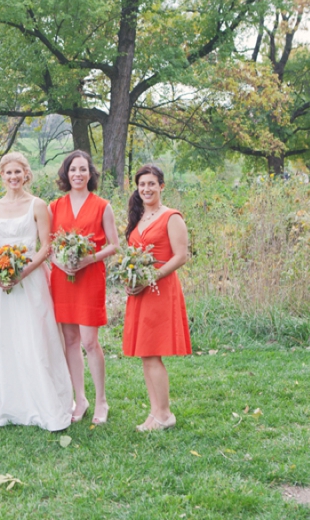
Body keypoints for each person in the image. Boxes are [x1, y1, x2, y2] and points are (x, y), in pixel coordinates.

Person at [0, 152, 73, 431]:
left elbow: (46, 246)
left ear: (26, 174)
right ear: (2, 176)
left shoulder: (38, 205)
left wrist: (22, 272)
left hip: (31, 280)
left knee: (35, 336)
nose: (13, 177)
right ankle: (7, 401)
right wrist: (0, 275)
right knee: (5, 337)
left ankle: (43, 399)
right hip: (3, 285)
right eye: (8, 173)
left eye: (17, 172)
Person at [48, 150, 119, 425]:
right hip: (62, 279)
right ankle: (80, 398)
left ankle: (101, 400)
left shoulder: (102, 205)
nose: (78, 174)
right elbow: (49, 244)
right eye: (73, 169)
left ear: (91, 174)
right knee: (70, 341)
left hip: (89, 278)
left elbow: (114, 245)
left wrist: (89, 258)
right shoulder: (54, 206)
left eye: (83, 169)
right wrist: (60, 262)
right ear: (66, 174)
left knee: (90, 341)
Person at [123, 164, 191, 431]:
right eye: (142, 184)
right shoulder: (139, 218)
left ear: (162, 186)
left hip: (160, 290)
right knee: (145, 354)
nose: (146, 189)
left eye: (152, 184)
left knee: (153, 354)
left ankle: (165, 414)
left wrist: (151, 278)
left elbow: (181, 256)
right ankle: (155, 412)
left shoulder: (171, 216)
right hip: (140, 291)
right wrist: (130, 280)